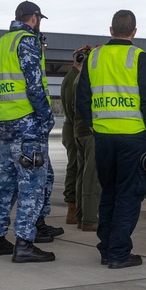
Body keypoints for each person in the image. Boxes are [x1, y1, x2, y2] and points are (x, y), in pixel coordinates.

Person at [76, 9, 146, 269]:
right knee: (129, 194)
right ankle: (119, 253)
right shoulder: (139, 57)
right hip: (133, 135)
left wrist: (92, 125)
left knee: (108, 191)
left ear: (111, 30)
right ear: (134, 32)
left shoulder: (94, 57)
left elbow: (82, 98)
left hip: (102, 136)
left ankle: (107, 248)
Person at [0, 1, 56, 263]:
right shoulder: (27, 41)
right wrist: (47, 118)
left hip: (6, 122)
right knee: (32, 185)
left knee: (4, 184)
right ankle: (24, 242)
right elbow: (34, 85)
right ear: (34, 18)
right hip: (28, 124)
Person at [73, 45, 100, 232]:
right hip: (89, 132)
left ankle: (82, 216)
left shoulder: (79, 78)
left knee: (83, 174)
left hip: (80, 130)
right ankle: (90, 219)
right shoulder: (87, 79)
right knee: (92, 176)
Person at [59, 48, 86, 224]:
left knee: (79, 167)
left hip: (75, 127)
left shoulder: (76, 77)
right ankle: (72, 206)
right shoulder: (73, 78)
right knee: (75, 167)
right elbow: (71, 108)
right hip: (74, 127)